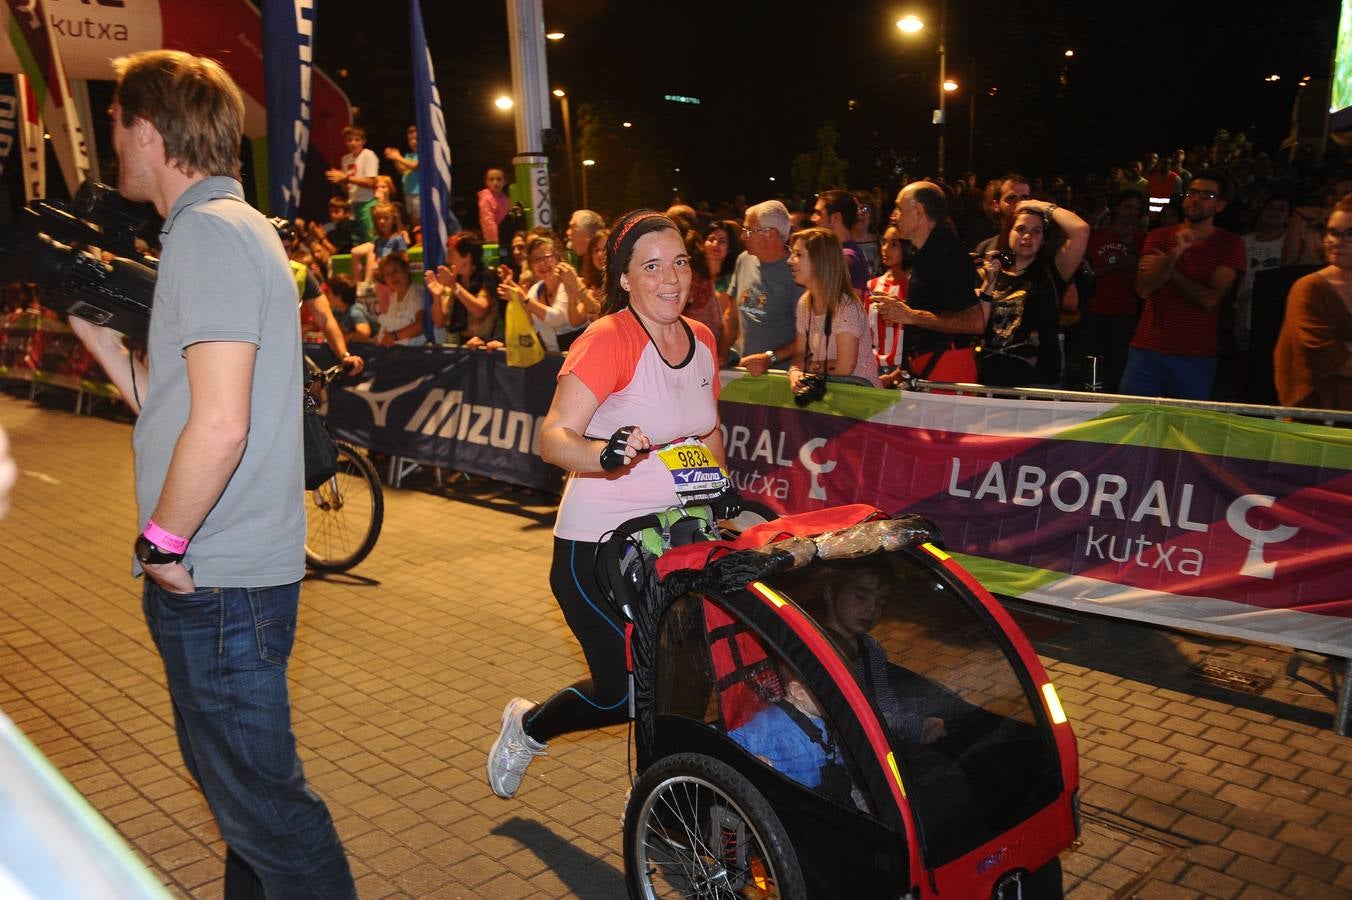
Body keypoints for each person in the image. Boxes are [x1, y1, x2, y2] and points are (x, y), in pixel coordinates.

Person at [67, 49, 355, 898]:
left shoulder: (207, 234)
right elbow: (179, 406)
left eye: (118, 123)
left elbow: (222, 426)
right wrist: (101, 342)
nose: (114, 139)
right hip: (227, 581)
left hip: (216, 583)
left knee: (272, 818)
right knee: (246, 819)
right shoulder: (229, 228)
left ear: (148, 131)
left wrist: (162, 541)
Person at [487, 210, 731, 799]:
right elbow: (552, 439)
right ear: (624, 277)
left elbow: (708, 430)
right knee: (625, 690)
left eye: (679, 263)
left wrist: (720, 496)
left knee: (686, 682)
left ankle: (659, 804)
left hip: (676, 542)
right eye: (652, 267)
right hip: (597, 551)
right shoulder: (609, 338)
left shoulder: (701, 339)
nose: (670, 279)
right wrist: (608, 453)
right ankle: (527, 727)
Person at [1120, 170, 1245, 400]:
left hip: (1195, 354)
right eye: (1192, 192)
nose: (1196, 199)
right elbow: (1143, 288)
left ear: (1220, 205)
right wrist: (1176, 253)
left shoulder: (1230, 244)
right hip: (1147, 348)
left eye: (1206, 195)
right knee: (1133, 423)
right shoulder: (1158, 236)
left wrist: (1168, 267)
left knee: (1183, 426)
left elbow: (1209, 299)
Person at [974, 199, 1090, 387]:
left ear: (1044, 239)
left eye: (1036, 231)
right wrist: (989, 281)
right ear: (1008, 233)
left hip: (1038, 382)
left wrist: (1037, 205)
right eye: (1020, 229)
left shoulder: (1053, 270)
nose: (1027, 236)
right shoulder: (989, 272)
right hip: (990, 379)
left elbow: (1080, 230)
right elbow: (979, 324)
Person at [884, 181, 985, 382]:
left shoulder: (947, 252)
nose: (893, 215)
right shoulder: (928, 253)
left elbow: (975, 321)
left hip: (948, 367)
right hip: (932, 367)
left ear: (919, 211)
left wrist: (911, 315)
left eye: (899, 208)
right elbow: (935, 313)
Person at [1273, 195, 1352, 410]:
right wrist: (1341, 353)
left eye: (1350, 234)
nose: (1336, 241)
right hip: (1317, 422)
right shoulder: (1309, 289)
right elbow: (1329, 358)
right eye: (1332, 232)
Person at [785, 227, 881, 391]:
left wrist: (807, 367)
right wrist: (794, 372)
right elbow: (801, 352)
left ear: (819, 261)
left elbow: (845, 367)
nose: (789, 260)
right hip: (833, 401)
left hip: (862, 402)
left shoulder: (846, 307)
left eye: (798, 255)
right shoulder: (805, 302)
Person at [1082, 190, 1146, 392]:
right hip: (1096, 309)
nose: (1132, 212)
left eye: (1136, 208)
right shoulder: (1097, 237)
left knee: (1119, 365)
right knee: (1093, 364)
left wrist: (1132, 251)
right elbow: (1088, 272)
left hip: (1125, 312)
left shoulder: (1142, 239)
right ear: (1116, 208)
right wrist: (1116, 266)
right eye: (1128, 206)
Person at [730, 199, 798, 375]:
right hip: (743, 371)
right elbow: (731, 315)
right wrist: (722, 354)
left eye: (748, 230)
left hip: (779, 379)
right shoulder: (744, 260)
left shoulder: (797, 270)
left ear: (770, 234)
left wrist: (770, 358)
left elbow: (810, 335)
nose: (742, 236)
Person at [496, 235, 587, 352]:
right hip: (553, 359)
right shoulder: (536, 289)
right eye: (536, 260)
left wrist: (524, 299)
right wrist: (514, 294)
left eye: (547, 257)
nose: (542, 263)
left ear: (558, 258)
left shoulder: (569, 283)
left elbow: (557, 319)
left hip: (579, 355)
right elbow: (530, 323)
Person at [431, 231, 501, 344]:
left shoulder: (487, 277)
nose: (448, 260)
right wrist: (436, 297)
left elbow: (479, 310)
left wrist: (454, 286)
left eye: (451, 254)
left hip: (484, 347)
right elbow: (439, 322)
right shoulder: (453, 280)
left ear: (467, 256)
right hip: (457, 347)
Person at [866, 225, 909, 385]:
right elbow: (866, 332)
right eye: (883, 242)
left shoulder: (915, 287)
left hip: (903, 372)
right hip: (874, 367)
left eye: (893, 244)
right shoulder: (873, 285)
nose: (885, 249)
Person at [810, 189, 871, 293]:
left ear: (836, 217)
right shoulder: (838, 253)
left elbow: (852, 306)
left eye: (819, 213)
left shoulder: (847, 259)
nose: (813, 218)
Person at [326, 125, 378, 242]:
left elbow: (372, 182)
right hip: (353, 204)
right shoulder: (346, 159)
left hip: (367, 202)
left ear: (363, 141)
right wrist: (340, 181)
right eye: (349, 140)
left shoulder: (368, 155)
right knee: (357, 240)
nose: (353, 143)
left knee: (371, 237)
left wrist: (346, 178)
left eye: (357, 140)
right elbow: (348, 187)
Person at [374, 252, 426, 346]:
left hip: (417, 354)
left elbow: (421, 325)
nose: (392, 277)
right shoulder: (393, 297)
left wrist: (393, 337)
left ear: (406, 271)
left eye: (395, 271)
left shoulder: (417, 293)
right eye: (387, 274)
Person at [384, 124, 420, 226]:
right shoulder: (409, 155)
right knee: (413, 219)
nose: (413, 142)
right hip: (408, 192)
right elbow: (403, 170)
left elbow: (414, 165)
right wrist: (394, 159)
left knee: (420, 218)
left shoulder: (423, 153)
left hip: (418, 193)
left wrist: (398, 157)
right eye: (410, 140)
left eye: (416, 139)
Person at [477, 167, 511, 244]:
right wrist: (494, 239)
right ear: (487, 182)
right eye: (491, 179)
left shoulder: (506, 199)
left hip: (506, 237)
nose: (495, 182)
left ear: (505, 181)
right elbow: (488, 221)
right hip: (494, 240)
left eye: (499, 179)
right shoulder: (486, 198)